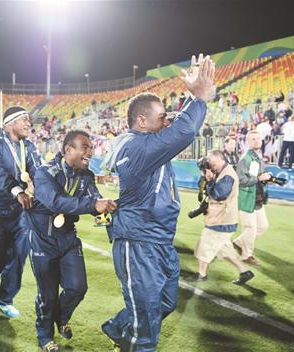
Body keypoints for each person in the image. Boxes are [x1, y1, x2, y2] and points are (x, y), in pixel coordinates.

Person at [101, 54, 214, 351]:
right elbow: (185, 130)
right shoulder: (137, 147)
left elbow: (178, 124)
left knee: (164, 303)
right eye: (161, 116)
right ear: (141, 121)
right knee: (148, 321)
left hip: (160, 239)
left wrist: (193, 96)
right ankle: (132, 342)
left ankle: (117, 328)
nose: (167, 120)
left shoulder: (147, 143)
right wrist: (199, 97)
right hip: (138, 241)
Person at [27, 130, 117, 352]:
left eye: (90, 147)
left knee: (78, 287)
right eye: (84, 147)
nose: (90, 151)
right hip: (42, 240)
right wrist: (92, 205)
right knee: (47, 295)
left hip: (68, 238)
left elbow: (96, 203)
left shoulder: (87, 175)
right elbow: (56, 202)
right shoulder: (44, 172)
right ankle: (45, 338)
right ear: (68, 150)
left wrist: (112, 231)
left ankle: (61, 317)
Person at [0, 106, 41, 320]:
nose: (28, 124)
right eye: (24, 120)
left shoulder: (28, 146)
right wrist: (17, 191)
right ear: (10, 123)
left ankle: (4, 299)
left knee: (17, 258)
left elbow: (38, 174)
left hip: (19, 212)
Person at [188, 150, 254, 284]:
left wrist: (211, 181)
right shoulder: (219, 171)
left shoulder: (228, 175)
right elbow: (202, 188)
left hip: (222, 220)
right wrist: (205, 177)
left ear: (219, 160)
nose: (209, 165)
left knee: (205, 246)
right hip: (220, 218)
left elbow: (219, 195)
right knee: (224, 251)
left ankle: (201, 274)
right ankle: (245, 272)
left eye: (210, 162)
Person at [233, 130, 271, 266]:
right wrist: (259, 178)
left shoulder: (258, 157)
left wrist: (267, 178)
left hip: (257, 198)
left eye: (258, 139)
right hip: (246, 198)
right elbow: (240, 180)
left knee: (263, 226)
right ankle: (246, 256)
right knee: (250, 228)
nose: (256, 141)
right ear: (248, 142)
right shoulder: (245, 158)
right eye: (253, 139)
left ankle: (238, 243)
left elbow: (259, 176)